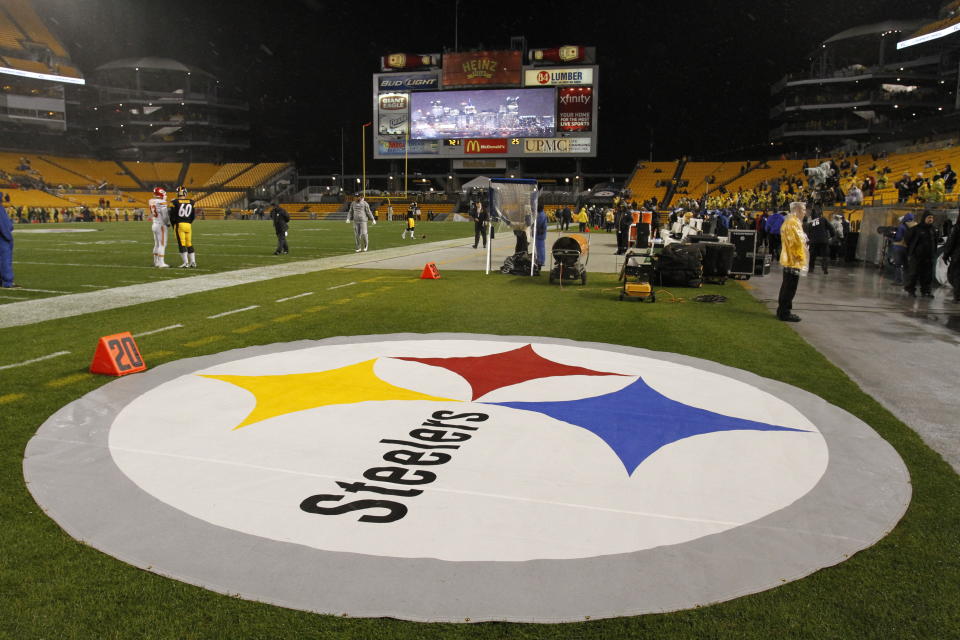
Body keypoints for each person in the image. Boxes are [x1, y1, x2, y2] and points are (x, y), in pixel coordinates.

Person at [776, 201, 809, 322]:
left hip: (791, 260)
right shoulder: (792, 223)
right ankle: (784, 312)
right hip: (793, 260)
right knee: (789, 287)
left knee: (787, 285)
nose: (805, 212)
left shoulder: (792, 222)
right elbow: (796, 243)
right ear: (797, 210)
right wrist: (800, 258)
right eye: (803, 210)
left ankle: (783, 310)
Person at [903, 211, 938, 298]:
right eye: (929, 218)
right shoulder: (916, 229)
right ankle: (910, 290)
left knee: (927, 275)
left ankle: (926, 291)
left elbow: (935, 241)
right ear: (924, 218)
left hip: (929, 257)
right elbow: (907, 240)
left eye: (932, 218)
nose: (931, 219)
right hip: (916, 256)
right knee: (913, 273)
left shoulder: (933, 229)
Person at [169, 186, 197, 268]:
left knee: (182, 243)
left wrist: (174, 225)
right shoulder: (192, 202)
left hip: (179, 224)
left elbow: (172, 216)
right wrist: (189, 222)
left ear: (177, 193)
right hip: (188, 225)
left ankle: (185, 263)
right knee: (189, 243)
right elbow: (193, 216)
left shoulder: (174, 202)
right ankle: (193, 262)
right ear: (185, 193)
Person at [804, 207, 835, 274]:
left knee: (812, 255)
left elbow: (808, 233)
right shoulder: (823, 219)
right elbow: (831, 228)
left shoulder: (810, 223)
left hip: (814, 241)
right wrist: (832, 236)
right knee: (825, 255)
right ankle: (825, 268)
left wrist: (809, 241)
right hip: (823, 240)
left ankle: (811, 268)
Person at [148, 186, 170, 268]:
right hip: (161, 225)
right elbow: (165, 215)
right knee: (162, 244)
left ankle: (156, 262)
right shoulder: (162, 202)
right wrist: (167, 223)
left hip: (154, 224)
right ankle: (161, 263)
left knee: (157, 244)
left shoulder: (151, 201)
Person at [0, 192, 16, 288]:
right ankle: (7, 282)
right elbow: (4, 225)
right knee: (5, 259)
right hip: (2, 238)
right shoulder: (0, 209)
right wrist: (8, 237)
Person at [942, 217, 960, 302]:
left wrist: (946, 255)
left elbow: (951, 242)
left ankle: (957, 296)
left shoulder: (957, 228)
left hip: (958, 256)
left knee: (955, 276)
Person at [533, 204, 547, 271]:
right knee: (540, 249)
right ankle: (540, 261)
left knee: (540, 249)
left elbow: (537, 224)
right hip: (540, 234)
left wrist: (533, 224)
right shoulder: (541, 214)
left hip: (539, 235)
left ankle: (540, 262)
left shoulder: (541, 215)